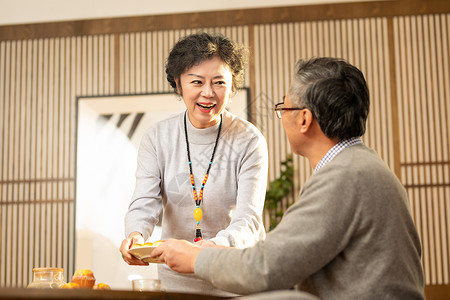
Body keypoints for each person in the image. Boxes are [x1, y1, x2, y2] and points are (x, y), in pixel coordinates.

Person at [151, 57, 425, 300]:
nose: (281, 117)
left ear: (304, 119)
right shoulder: (362, 166)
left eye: (284, 108)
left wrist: (195, 257)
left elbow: (265, 267)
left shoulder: (345, 177)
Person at [119, 32, 268, 296]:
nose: (208, 93)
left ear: (232, 87)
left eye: (219, 82)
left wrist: (202, 253)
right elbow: (145, 201)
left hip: (235, 282)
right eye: (197, 81)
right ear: (179, 84)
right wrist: (136, 234)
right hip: (175, 285)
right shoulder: (157, 138)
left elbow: (249, 221)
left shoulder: (249, 140)